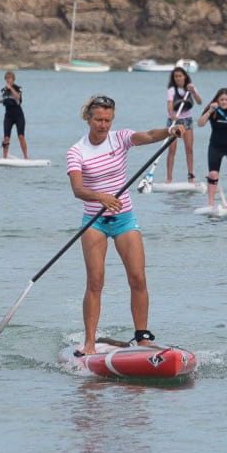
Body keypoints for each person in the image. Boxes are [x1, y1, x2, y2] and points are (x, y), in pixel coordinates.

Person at [66, 94, 182, 354]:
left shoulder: (120, 139)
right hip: (94, 222)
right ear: (88, 118)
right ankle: (89, 344)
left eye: (107, 120)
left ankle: (142, 337)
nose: (103, 125)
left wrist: (170, 130)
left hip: (124, 218)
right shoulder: (77, 151)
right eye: (98, 119)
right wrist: (101, 197)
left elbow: (149, 135)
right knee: (95, 282)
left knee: (138, 278)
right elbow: (77, 189)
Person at [162, 66, 202, 184]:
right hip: (174, 122)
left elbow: (199, 102)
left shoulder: (190, 88)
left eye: (180, 76)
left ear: (185, 76)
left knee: (189, 149)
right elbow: (169, 105)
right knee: (172, 150)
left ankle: (191, 176)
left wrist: (193, 91)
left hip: (187, 121)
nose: (178, 78)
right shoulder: (171, 90)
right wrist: (172, 114)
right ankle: (169, 178)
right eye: (176, 76)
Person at [0, 70, 29, 159]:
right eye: (7, 79)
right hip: (8, 116)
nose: (9, 80)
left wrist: (10, 88)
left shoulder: (18, 88)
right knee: (6, 138)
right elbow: (6, 99)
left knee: (21, 136)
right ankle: (4, 157)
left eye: (10, 78)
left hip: (18, 115)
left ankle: (25, 157)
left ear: (13, 79)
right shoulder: (3, 90)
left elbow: (17, 97)